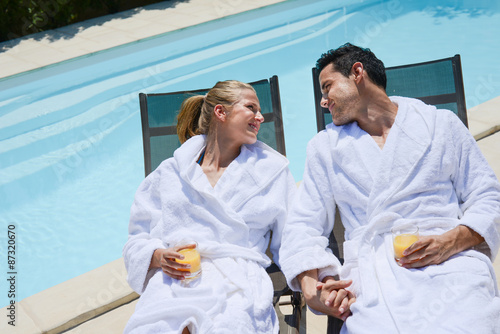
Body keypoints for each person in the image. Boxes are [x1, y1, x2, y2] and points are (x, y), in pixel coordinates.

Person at [279, 43, 500, 333]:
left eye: (327, 87)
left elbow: (487, 195)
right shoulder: (325, 148)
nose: (323, 100)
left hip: (451, 263)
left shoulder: (441, 125)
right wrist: (311, 288)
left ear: (357, 73)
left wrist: (452, 241)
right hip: (376, 276)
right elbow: (302, 225)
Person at [123, 80, 296, 334]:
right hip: (176, 281)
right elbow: (136, 240)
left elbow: (294, 237)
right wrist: (159, 257)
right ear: (220, 112)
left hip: (236, 284)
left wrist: (314, 279)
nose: (260, 117)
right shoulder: (170, 173)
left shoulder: (272, 171)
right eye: (251, 107)